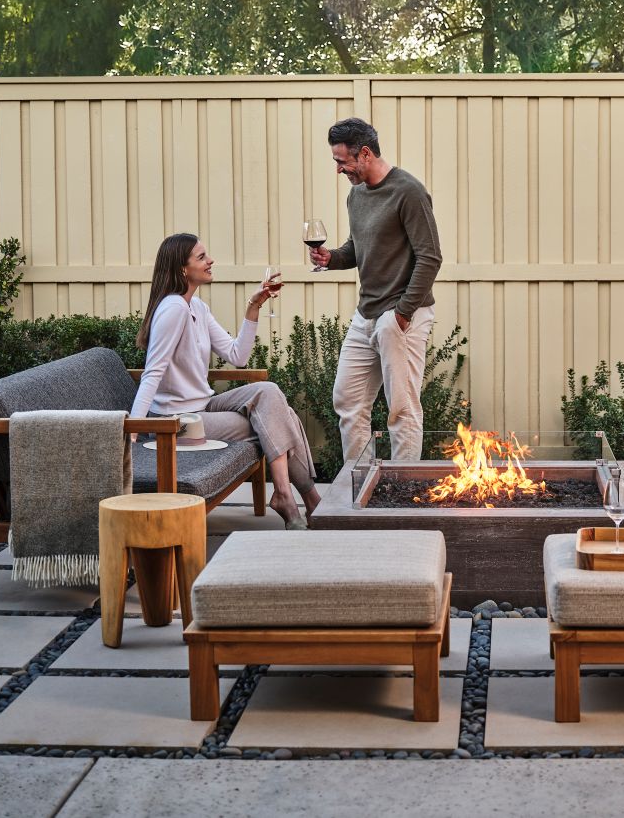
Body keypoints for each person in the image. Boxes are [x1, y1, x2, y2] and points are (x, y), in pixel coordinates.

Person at [132, 233, 320, 529]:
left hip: (203, 407)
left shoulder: (197, 308)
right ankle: (305, 500)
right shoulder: (173, 309)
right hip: (175, 422)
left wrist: (253, 307)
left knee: (268, 394)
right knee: (274, 420)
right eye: (202, 257)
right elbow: (153, 372)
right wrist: (136, 428)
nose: (210, 261)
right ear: (182, 268)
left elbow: (238, 356)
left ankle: (288, 496)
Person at [309, 118, 443, 461]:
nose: (340, 170)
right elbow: (357, 248)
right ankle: (359, 487)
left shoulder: (408, 192)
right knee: (348, 401)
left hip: (400, 315)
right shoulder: (356, 195)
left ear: (365, 153)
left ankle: (402, 499)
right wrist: (331, 258)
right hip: (366, 313)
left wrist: (401, 314)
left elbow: (430, 257)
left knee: (402, 408)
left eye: (343, 162)